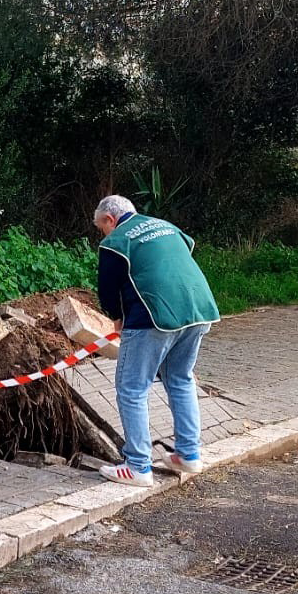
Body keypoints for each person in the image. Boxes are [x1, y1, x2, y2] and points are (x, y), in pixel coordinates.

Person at [93, 195, 220, 487]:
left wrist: (116, 317)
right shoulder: (165, 226)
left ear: (110, 220)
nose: (103, 233)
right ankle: (188, 454)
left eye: (102, 227)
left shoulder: (115, 242)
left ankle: (137, 466)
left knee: (132, 388)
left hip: (152, 317)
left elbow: (108, 290)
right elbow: (184, 251)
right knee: (180, 379)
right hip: (199, 311)